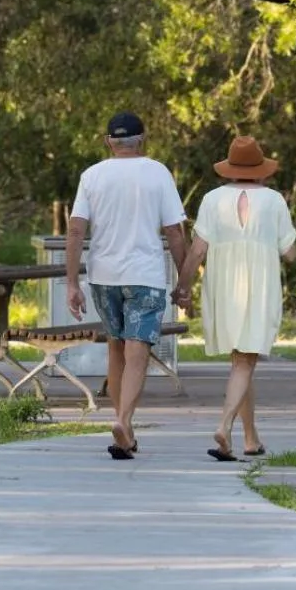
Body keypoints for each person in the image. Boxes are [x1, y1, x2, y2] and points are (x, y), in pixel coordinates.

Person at [66, 112, 187, 460]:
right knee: (138, 353)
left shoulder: (92, 175)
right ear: (143, 139)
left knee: (116, 350)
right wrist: (184, 280)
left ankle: (125, 430)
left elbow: (76, 230)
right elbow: (174, 232)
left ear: (108, 142)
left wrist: (72, 282)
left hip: (104, 277)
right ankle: (123, 420)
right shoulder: (158, 172)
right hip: (145, 276)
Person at [173, 135, 296, 462]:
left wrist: (182, 287)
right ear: (261, 169)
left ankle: (251, 439)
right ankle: (224, 426)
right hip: (259, 284)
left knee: (240, 361)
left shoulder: (212, 199)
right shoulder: (274, 200)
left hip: (223, 284)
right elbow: (290, 252)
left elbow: (198, 249)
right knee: (245, 360)